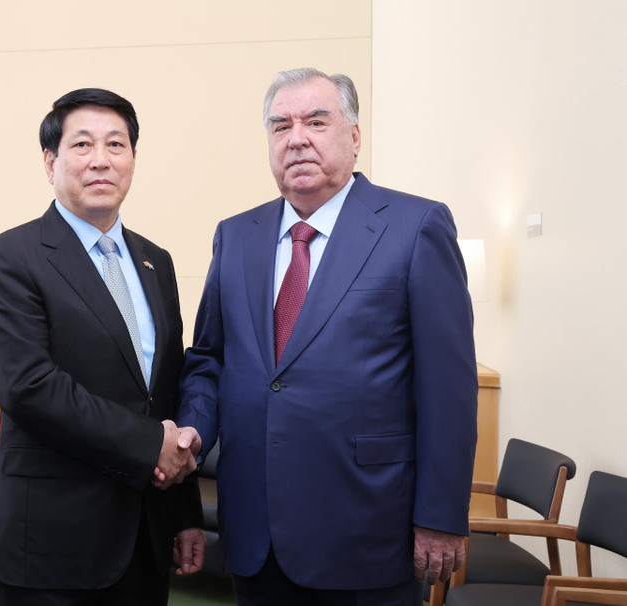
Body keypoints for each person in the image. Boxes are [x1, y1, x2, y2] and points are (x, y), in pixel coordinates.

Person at [176, 68, 478, 605]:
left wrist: (440, 515)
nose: (297, 138)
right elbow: (209, 360)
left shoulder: (415, 227)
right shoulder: (236, 235)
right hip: (256, 531)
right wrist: (194, 431)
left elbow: (448, 390)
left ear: (355, 136)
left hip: (365, 530)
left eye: (317, 121)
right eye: (280, 126)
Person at [0, 87, 206, 606]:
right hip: (50, 543)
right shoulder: (12, 257)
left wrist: (185, 514)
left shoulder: (155, 262)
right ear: (50, 161)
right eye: (82, 145)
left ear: (133, 160)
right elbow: (29, 387)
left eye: (116, 145)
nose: (101, 160)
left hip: (144, 537)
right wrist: (150, 447)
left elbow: (164, 395)